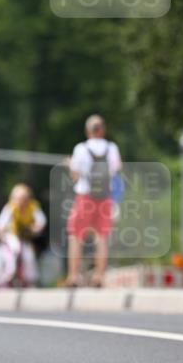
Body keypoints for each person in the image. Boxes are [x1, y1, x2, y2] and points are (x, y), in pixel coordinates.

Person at [66, 114, 122, 287]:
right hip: (105, 195)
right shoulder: (111, 148)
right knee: (102, 236)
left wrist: (70, 165)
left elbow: (75, 175)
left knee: (76, 235)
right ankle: (99, 276)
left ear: (87, 131)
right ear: (103, 130)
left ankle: (74, 275)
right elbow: (117, 168)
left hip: (85, 195)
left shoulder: (81, 148)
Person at [0, 184, 46, 287]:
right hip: (11, 235)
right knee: (15, 249)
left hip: (25, 236)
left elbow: (41, 221)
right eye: (18, 199)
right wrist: (1, 231)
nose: (20, 202)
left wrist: (35, 228)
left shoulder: (33, 207)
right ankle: (8, 276)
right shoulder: (10, 207)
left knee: (29, 257)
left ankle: (30, 280)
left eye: (23, 198)